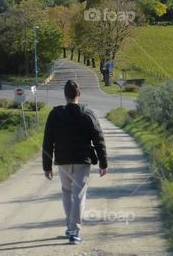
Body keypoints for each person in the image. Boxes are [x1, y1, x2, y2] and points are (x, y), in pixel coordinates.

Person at [42, 79, 108, 245]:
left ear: (65, 95)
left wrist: (47, 166)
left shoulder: (55, 115)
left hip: (63, 161)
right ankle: (74, 231)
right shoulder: (87, 113)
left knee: (66, 192)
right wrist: (103, 163)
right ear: (79, 94)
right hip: (82, 160)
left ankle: (69, 226)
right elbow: (98, 139)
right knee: (78, 195)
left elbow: (48, 141)